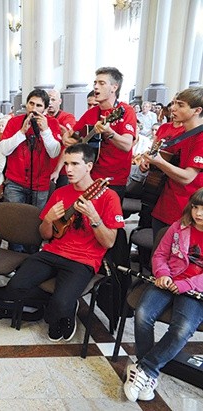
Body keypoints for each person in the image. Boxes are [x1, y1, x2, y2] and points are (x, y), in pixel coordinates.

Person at [5, 143, 124, 341]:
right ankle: (62, 305)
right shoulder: (60, 192)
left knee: (60, 304)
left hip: (84, 259)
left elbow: (109, 243)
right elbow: (44, 235)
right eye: (66, 163)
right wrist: (48, 219)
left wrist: (95, 218)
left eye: (75, 164)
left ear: (89, 166)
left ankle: (63, 309)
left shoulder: (109, 197)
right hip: (53, 251)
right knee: (14, 287)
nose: (68, 169)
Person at [123, 188, 203, 403]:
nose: (199, 213)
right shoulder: (178, 226)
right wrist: (163, 274)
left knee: (182, 329)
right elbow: (160, 255)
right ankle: (146, 370)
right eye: (196, 207)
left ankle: (145, 370)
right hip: (167, 281)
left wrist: (186, 284)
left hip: (195, 291)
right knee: (142, 314)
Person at [64, 67, 137, 200]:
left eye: (101, 83)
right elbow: (72, 134)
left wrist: (109, 132)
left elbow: (127, 145)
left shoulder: (126, 111)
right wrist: (67, 139)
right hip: (89, 176)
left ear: (114, 87)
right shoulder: (91, 112)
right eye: (95, 83)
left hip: (113, 180)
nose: (96, 87)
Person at [140, 87, 203, 238]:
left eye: (180, 105)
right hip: (165, 204)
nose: (173, 108)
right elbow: (164, 158)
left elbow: (188, 177)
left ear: (197, 110)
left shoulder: (200, 138)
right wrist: (148, 163)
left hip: (187, 210)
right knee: (157, 254)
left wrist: (159, 162)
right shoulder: (180, 134)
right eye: (174, 103)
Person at [0, 88, 62, 211]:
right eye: (31, 104)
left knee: (36, 220)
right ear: (26, 104)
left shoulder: (53, 123)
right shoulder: (14, 122)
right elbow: (4, 150)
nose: (33, 109)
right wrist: (22, 132)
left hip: (40, 184)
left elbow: (54, 153)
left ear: (45, 109)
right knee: (13, 219)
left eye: (39, 105)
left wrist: (45, 131)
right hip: (15, 183)